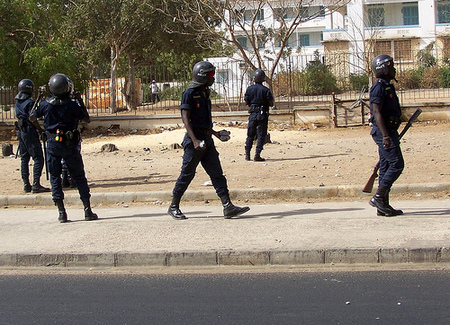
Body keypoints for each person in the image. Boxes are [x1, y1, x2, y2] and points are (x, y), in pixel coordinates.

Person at [168, 61, 250, 220]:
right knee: (187, 174)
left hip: (207, 140)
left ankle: (228, 206)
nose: (213, 78)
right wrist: (195, 141)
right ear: (202, 76)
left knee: (217, 174)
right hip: (194, 142)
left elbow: (203, 121)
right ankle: (173, 206)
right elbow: (186, 119)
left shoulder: (205, 93)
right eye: (211, 75)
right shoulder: (189, 93)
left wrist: (215, 133)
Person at [30, 73, 98, 223]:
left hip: (52, 144)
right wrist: (80, 100)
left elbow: (32, 117)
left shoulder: (45, 105)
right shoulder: (72, 104)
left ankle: (61, 212)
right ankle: (87, 210)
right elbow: (86, 119)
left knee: (55, 177)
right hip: (70, 144)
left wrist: (41, 130)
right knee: (79, 176)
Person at [368, 54, 404, 217]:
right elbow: (376, 112)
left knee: (385, 167)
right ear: (383, 68)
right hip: (383, 133)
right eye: (391, 66)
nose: (393, 69)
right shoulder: (379, 87)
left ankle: (383, 206)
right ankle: (379, 196)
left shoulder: (388, 86)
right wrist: (385, 136)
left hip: (389, 131)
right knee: (397, 164)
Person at [14, 79, 50, 194]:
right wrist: (40, 130)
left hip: (20, 131)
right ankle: (36, 184)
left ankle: (26, 184)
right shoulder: (29, 102)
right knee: (38, 158)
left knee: (24, 158)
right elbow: (32, 118)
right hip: (29, 131)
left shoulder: (17, 102)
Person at [244, 69, 274, 162]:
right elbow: (271, 103)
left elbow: (246, 101)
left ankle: (247, 154)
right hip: (262, 115)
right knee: (261, 135)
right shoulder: (266, 90)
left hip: (252, 114)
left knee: (250, 134)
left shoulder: (249, 89)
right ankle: (257, 154)